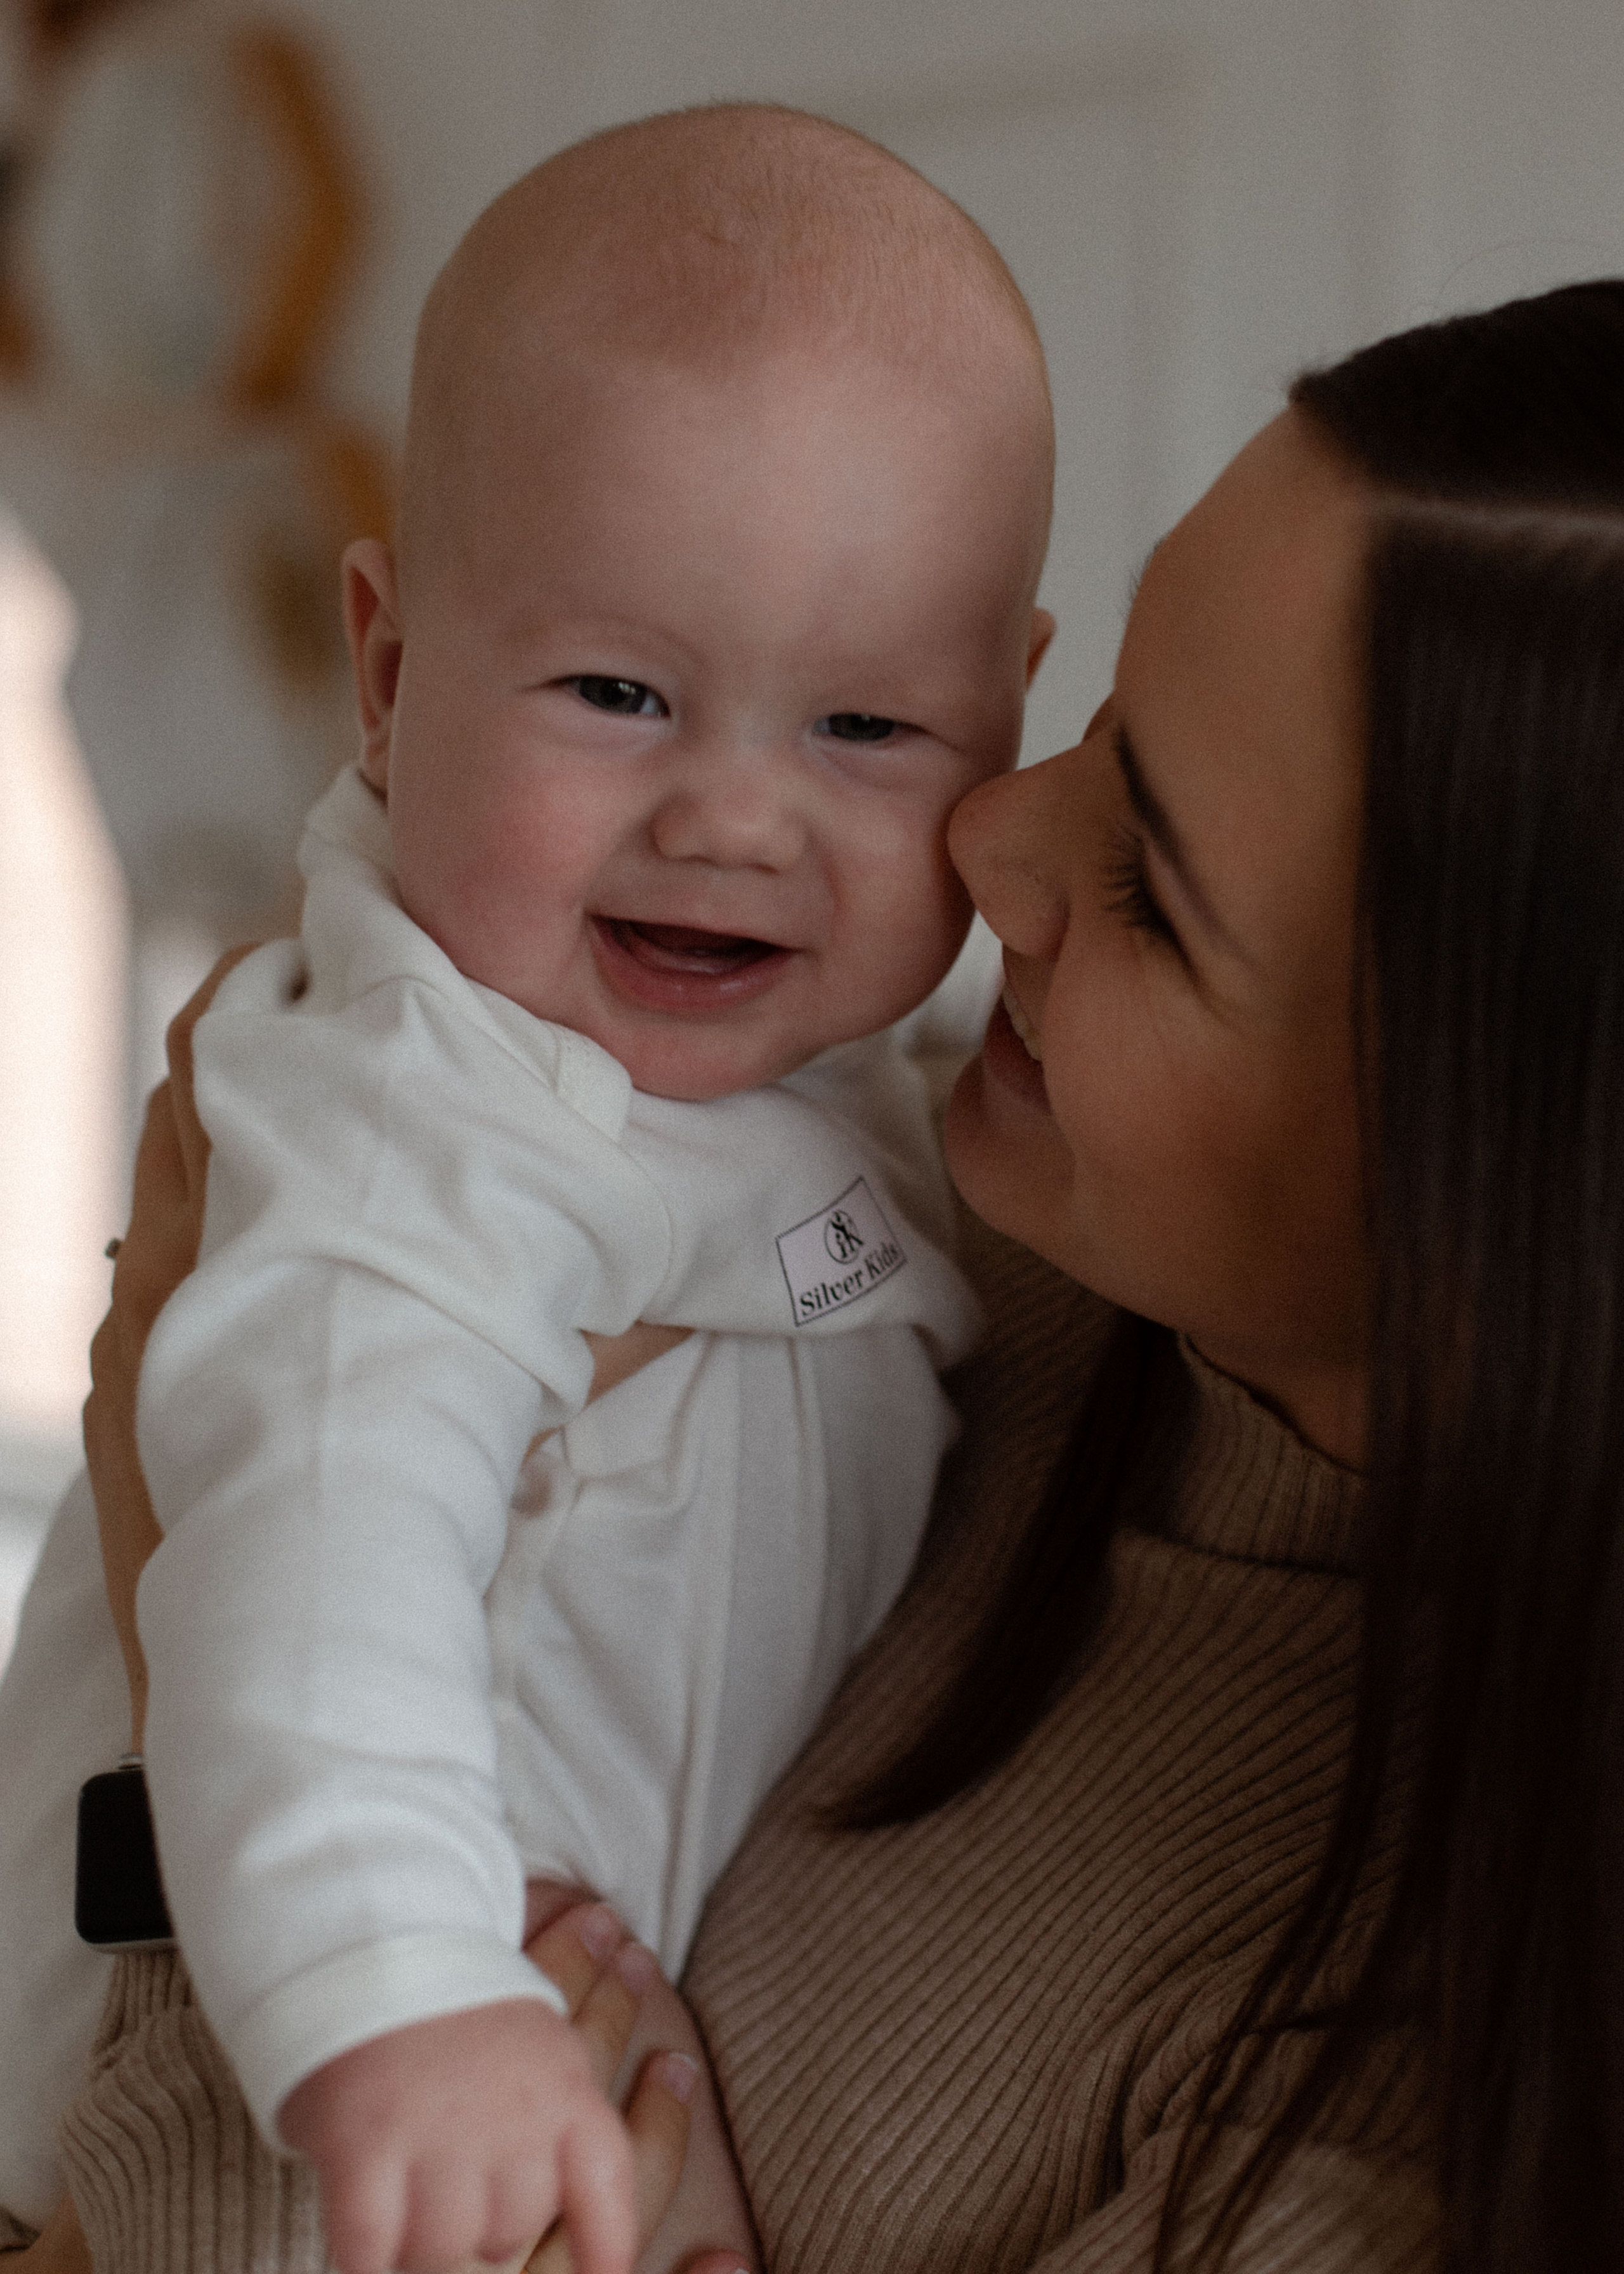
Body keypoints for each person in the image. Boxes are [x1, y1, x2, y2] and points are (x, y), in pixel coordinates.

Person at [13, 279, 1624, 2274]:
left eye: (1156, 894)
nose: (992, 836)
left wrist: (230, 1826)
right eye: (1099, 730)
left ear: (1506, 1208)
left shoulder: (1406, 2124)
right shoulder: (896, 1191)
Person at [0, 104, 1056, 2274]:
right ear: (387, 677)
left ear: (1011, 725)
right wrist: (398, 1995)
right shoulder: (421, 1099)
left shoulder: (852, 1099)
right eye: (618, 695)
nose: (736, 819)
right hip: (280, 2111)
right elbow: (322, 1521)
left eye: (867, 730)